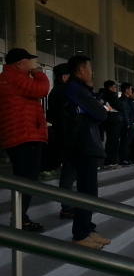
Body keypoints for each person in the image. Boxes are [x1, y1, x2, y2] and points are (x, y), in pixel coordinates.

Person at [62, 55, 111, 248]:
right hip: (83, 146)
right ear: (81, 70)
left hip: (85, 145)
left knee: (90, 190)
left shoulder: (79, 90)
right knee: (86, 191)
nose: (92, 72)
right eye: (90, 68)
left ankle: (88, 228)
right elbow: (101, 113)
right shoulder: (76, 90)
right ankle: (80, 234)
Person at [0, 48, 49, 231]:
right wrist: (40, 75)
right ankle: (20, 219)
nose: (33, 66)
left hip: (21, 136)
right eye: (30, 61)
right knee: (26, 180)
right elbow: (41, 89)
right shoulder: (13, 78)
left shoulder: (9, 78)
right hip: (24, 137)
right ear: (20, 63)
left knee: (26, 178)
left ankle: (21, 217)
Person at [46, 63, 77, 218]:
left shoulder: (56, 92)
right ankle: (67, 207)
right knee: (69, 174)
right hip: (68, 139)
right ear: (65, 77)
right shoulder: (64, 92)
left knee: (70, 173)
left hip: (63, 137)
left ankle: (68, 205)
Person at [116, 83, 134, 165]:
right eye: (130, 89)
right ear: (126, 90)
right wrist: (128, 124)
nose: (131, 91)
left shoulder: (127, 100)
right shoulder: (123, 100)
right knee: (125, 142)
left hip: (129, 124)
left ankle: (127, 158)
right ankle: (124, 159)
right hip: (126, 124)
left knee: (128, 142)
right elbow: (125, 113)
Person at [101, 80, 121, 167]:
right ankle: (110, 160)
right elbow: (117, 107)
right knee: (113, 141)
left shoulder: (106, 96)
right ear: (109, 88)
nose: (115, 89)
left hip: (111, 120)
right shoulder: (110, 96)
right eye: (114, 87)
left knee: (113, 140)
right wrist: (112, 109)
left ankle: (112, 160)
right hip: (112, 120)